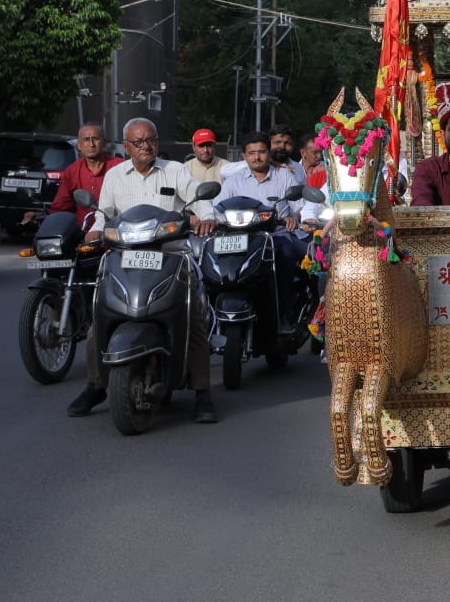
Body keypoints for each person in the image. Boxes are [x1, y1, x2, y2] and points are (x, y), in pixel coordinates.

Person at [69, 118, 221, 423]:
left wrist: (207, 218)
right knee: (97, 320)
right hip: (123, 258)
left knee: (192, 318)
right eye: (137, 142)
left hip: (169, 254)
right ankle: (97, 384)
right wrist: (96, 230)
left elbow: (199, 202)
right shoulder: (114, 176)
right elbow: (104, 215)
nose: (145, 146)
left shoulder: (175, 170)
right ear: (126, 147)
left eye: (150, 140)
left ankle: (202, 392)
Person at [221, 131, 306, 332]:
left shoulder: (284, 175)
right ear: (244, 156)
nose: (257, 157)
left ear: (268, 153)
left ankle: (282, 313)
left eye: (261, 152)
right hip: (240, 238)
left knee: (286, 255)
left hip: (276, 235)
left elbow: (300, 207)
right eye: (251, 153)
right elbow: (218, 208)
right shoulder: (233, 181)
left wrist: (294, 217)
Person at [22, 123, 122, 228]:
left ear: (104, 142)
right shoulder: (71, 171)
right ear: (79, 145)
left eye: (95, 139)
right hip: (83, 233)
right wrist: (42, 216)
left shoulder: (119, 167)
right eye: (86, 139)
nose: (91, 144)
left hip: (115, 232)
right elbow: (61, 207)